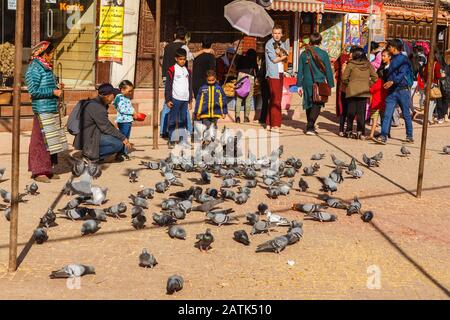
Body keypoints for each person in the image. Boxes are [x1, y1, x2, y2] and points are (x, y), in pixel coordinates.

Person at [25, 41, 68, 183]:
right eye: (50, 54)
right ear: (42, 53)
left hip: (50, 108)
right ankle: (38, 171)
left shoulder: (45, 67)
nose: (52, 56)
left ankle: (48, 170)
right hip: (42, 109)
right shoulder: (34, 68)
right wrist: (53, 91)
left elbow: (44, 85)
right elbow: (34, 91)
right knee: (39, 141)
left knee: (50, 141)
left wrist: (56, 86)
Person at [73, 83, 132, 162]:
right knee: (118, 144)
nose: (114, 97)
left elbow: (106, 124)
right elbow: (106, 128)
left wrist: (119, 134)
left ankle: (91, 152)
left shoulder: (97, 103)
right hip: (88, 137)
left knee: (116, 136)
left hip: (91, 133)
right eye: (113, 95)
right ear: (107, 96)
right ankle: (89, 155)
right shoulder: (97, 107)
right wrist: (123, 138)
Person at [376, 39, 414, 145]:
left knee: (406, 114)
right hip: (391, 91)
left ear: (394, 48)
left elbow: (402, 74)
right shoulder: (391, 59)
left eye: (390, 46)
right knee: (387, 114)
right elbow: (386, 72)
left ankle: (409, 135)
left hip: (403, 90)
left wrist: (392, 81)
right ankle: (383, 135)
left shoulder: (404, 59)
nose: (388, 48)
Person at [297, 32, 334, 136]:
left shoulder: (304, 54)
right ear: (320, 41)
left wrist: (298, 85)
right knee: (317, 103)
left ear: (310, 41)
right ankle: (310, 125)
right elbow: (328, 71)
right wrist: (330, 84)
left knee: (309, 103)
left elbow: (300, 70)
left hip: (307, 82)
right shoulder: (323, 54)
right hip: (319, 82)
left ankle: (310, 125)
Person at [341, 47, 378, 139]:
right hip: (364, 91)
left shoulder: (351, 64)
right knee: (361, 113)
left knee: (351, 112)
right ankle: (360, 132)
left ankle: (349, 131)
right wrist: (368, 84)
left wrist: (349, 84)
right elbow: (375, 77)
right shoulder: (368, 64)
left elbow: (344, 78)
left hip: (352, 91)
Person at [165, 48, 193, 149]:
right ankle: (171, 140)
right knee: (172, 120)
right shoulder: (172, 70)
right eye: (180, 59)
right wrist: (168, 99)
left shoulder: (188, 71)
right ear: (176, 59)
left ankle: (182, 140)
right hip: (175, 99)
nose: (182, 61)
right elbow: (168, 86)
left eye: (184, 59)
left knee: (183, 120)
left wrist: (190, 100)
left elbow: (189, 86)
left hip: (185, 100)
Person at [265, 25, 290, 132]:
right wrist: (285, 55)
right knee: (276, 99)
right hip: (272, 74)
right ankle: (275, 124)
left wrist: (284, 55)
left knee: (274, 99)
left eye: (279, 33)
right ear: (272, 34)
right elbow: (275, 60)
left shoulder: (282, 43)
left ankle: (269, 123)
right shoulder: (269, 44)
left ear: (282, 34)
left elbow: (284, 59)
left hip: (280, 73)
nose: (277, 35)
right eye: (275, 33)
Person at [193, 70, 227, 144]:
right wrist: (197, 112)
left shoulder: (218, 88)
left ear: (215, 79)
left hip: (215, 112)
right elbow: (199, 101)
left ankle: (213, 140)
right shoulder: (203, 88)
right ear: (206, 79)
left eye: (212, 80)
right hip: (205, 112)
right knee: (206, 126)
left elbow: (223, 100)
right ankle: (207, 140)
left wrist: (224, 112)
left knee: (214, 126)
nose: (211, 82)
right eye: (209, 80)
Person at [369, 49, 391, 140]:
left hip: (387, 93)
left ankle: (386, 132)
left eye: (384, 56)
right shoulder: (381, 67)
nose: (382, 58)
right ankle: (383, 132)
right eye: (382, 56)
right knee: (383, 115)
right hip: (380, 92)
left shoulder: (392, 67)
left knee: (385, 115)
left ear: (389, 57)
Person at [113, 80, 136, 160]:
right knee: (123, 137)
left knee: (127, 137)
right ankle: (119, 154)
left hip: (128, 120)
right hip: (123, 121)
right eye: (129, 91)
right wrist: (133, 112)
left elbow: (129, 107)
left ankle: (124, 153)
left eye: (131, 91)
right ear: (122, 89)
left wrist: (134, 114)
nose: (130, 93)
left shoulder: (127, 97)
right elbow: (122, 109)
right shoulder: (119, 97)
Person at [235, 49, 258, 123]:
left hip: (240, 77)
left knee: (239, 98)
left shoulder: (241, 58)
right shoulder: (254, 61)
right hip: (249, 78)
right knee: (248, 98)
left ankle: (237, 117)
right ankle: (246, 117)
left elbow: (237, 68)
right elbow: (256, 71)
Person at [334, 45, 352, 136]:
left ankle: (344, 129)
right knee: (346, 107)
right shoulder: (344, 58)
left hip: (345, 86)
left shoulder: (345, 58)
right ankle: (346, 129)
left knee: (344, 107)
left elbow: (336, 68)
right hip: (348, 87)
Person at [423, 50, 443, 124]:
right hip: (433, 85)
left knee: (428, 102)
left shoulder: (427, 64)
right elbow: (438, 75)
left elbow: (424, 74)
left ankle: (427, 117)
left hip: (426, 84)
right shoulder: (436, 64)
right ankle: (429, 118)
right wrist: (441, 75)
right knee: (432, 103)